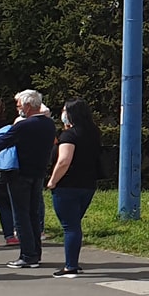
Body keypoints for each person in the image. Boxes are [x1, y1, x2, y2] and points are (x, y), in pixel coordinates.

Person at [0, 90, 56, 268]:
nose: (18, 109)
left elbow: (0, 143)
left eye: (19, 105)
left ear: (27, 105)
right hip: (38, 172)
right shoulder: (49, 124)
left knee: (21, 215)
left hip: (19, 173)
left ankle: (27, 255)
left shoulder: (23, 125)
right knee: (34, 213)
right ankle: (35, 253)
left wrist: (12, 127)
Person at [46, 98, 101, 277]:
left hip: (67, 185)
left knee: (70, 226)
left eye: (64, 111)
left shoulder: (69, 136)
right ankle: (73, 262)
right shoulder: (93, 132)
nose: (62, 114)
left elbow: (64, 161)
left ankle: (71, 265)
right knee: (75, 223)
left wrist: (53, 180)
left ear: (71, 114)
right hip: (88, 184)